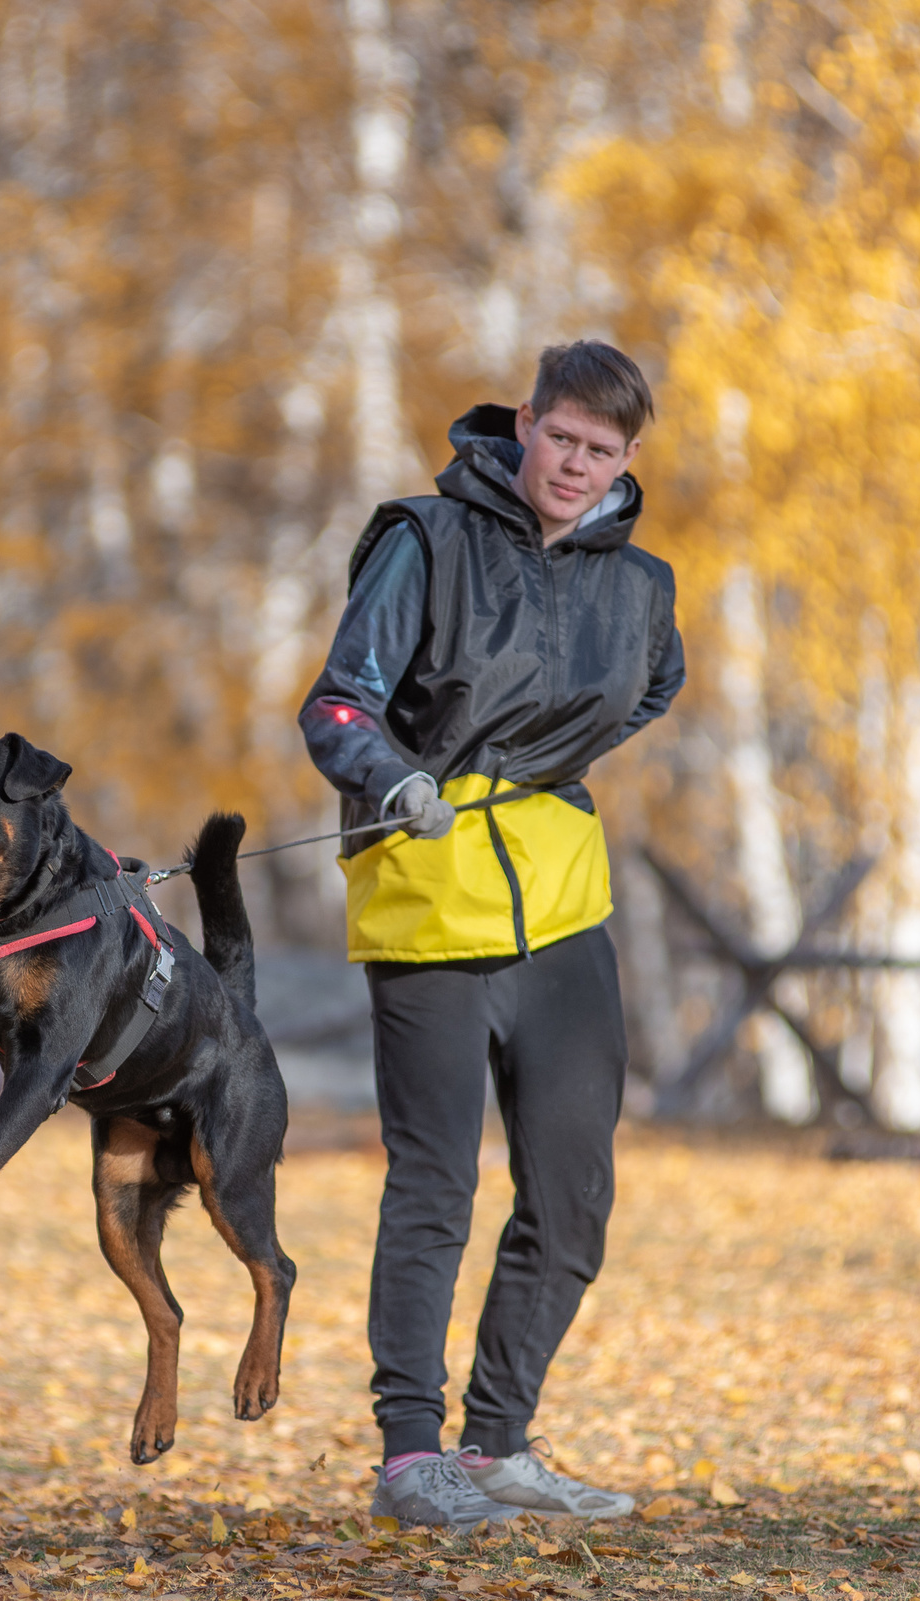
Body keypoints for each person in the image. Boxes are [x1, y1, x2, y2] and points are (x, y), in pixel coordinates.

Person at [299, 341, 685, 1528]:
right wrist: (397, 776)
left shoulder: (642, 583)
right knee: (433, 1186)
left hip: (562, 910)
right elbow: (336, 703)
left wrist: (535, 766)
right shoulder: (424, 537)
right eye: (560, 438)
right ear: (525, 424)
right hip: (427, 900)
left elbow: (654, 684)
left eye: (600, 451)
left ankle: (499, 1445)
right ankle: (411, 1455)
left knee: (570, 1198)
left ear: (627, 459)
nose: (574, 465)